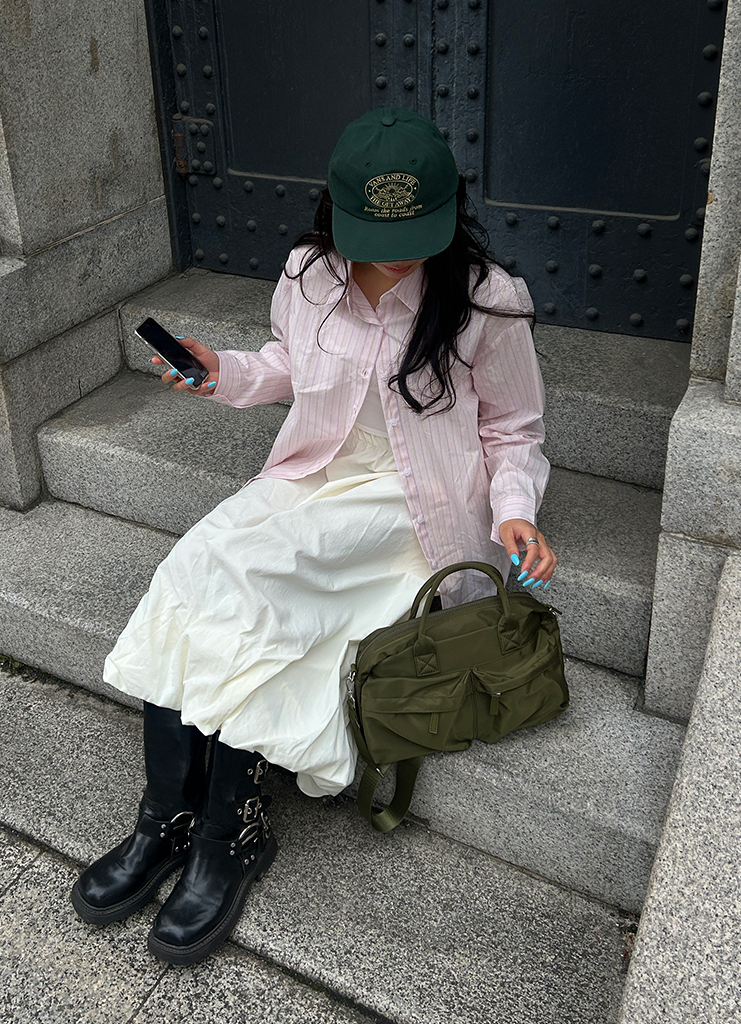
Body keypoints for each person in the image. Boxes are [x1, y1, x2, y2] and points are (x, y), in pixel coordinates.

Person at [70, 107, 557, 965]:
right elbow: (287, 366)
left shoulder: (487, 299)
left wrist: (514, 509)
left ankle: (228, 835)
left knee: (256, 587)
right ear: (336, 213)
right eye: (378, 237)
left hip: (414, 505)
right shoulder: (308, 272)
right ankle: (168, 818)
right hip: (315, 473)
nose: (397, 256)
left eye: (416, 235)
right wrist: (222, 372)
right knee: (194, 567)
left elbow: (513, 428)